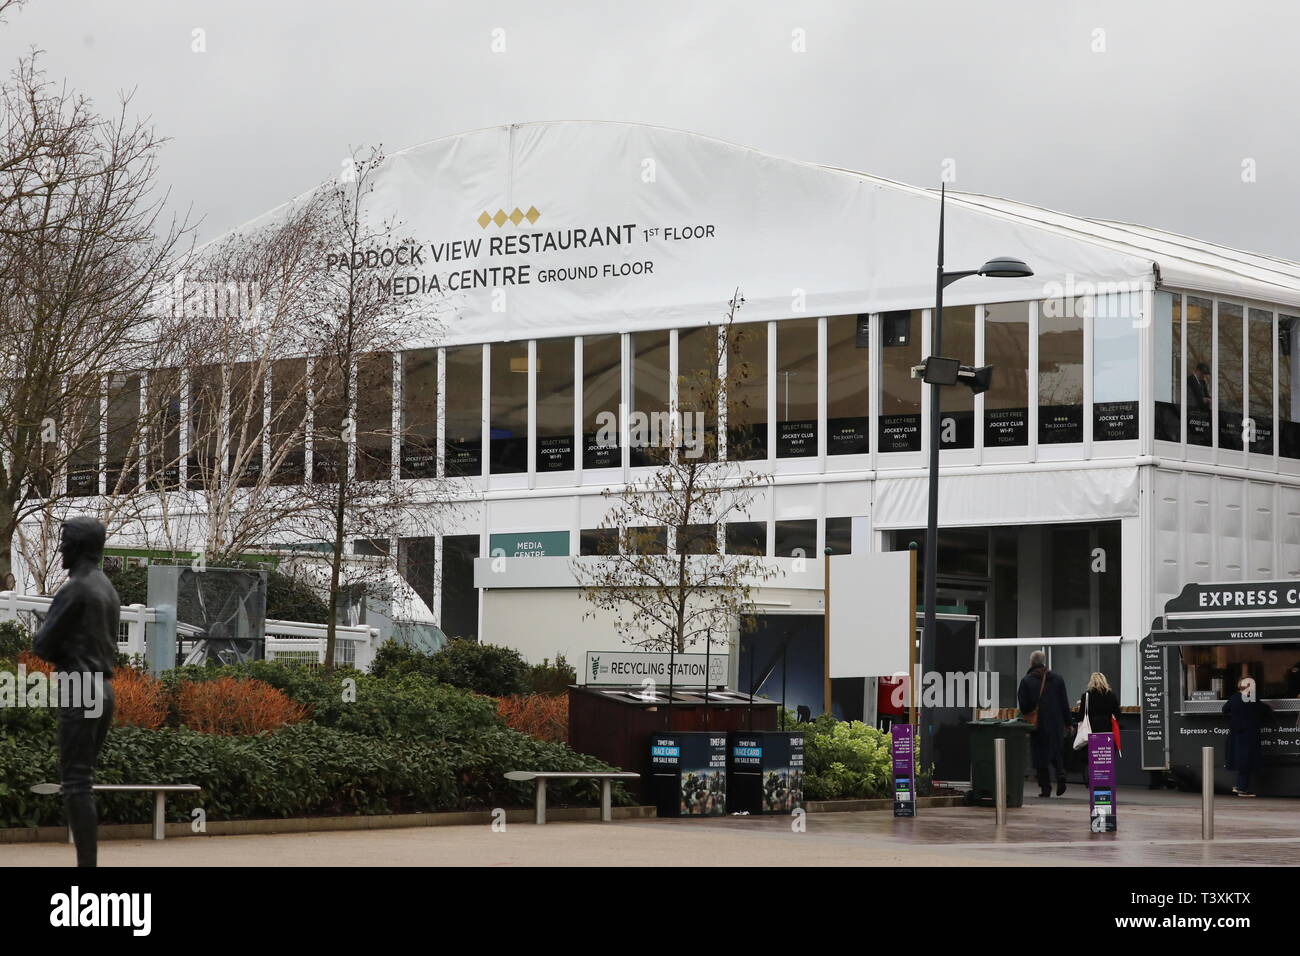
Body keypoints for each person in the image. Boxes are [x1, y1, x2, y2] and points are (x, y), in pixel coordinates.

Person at [31, 517, 120, 867]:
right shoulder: (107, 588)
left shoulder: (75, 589)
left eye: (65, 541)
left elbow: (43, 645)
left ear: (80, 546)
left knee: (76, 783)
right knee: (83, 779)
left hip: (79, 687)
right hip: (103, 689)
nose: (60, 548)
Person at [1018, 650, 1072, 797]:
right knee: (1056, 751)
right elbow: (1064, 703)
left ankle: (1045, 788)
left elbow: (1024, 706)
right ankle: (1061, 775)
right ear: (1044, 661)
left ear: (1031, 662)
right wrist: (1068, 722)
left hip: (1038, 724)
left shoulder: (1027, 681)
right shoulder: (1058, 679)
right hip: (1056, 722)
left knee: (1040, 756)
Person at [1222, 677, 1277, 797]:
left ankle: (1240, 786)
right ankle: (1242, 789)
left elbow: (1224, 709)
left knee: (1242, 761)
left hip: (1236, 733)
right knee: (1246, 761)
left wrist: (1236, 716)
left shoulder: (1234, 697)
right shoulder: (1251, 698)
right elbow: (1265, 710)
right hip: (1248, 734)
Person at [1073, 672, 1121, 786]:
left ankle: (1092, 780)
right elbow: (1118, 714)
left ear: (1091, 682)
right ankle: (1105, 780)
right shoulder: (1111, 695)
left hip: (1092, 730)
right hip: (1107, 730)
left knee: (1093, 757)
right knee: (1105, 757)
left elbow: (1080, 716)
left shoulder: (1087, 696)